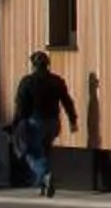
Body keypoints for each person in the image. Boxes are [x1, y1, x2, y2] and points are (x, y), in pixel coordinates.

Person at [11, 50, 79, 199]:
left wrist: (16, 124)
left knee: (32, 153)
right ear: (47, 65)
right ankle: (43, 186)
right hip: (54, 122)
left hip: (35, 122)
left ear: (33, 65)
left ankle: (45, 176)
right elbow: (67, 101)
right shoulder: (57, 81)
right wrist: (72, 120)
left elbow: (20, 105)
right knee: (45, 152)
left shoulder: (27, 81)